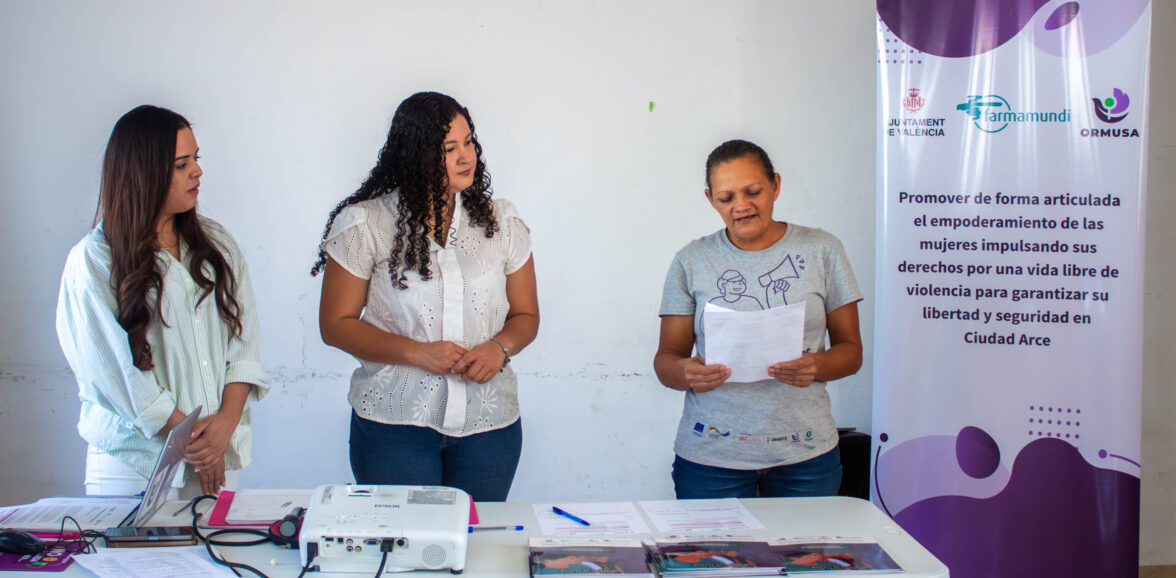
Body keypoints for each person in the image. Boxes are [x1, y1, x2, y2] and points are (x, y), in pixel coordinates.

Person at [312, 92, 539, 501]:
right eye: (449, 148)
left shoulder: (502, 221)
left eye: (468, 142)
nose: (465, 156)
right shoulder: (366, 224)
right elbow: (335, 325)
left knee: (475, 547)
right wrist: (418, 353)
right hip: (394, 426)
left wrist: (498, 349)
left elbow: (526, 315)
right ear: (416, 155)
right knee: (406, 550)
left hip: (489, 427)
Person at [56, 105, 270, 498]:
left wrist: (223, 426)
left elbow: (245, 343)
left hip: (216, 457)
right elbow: (115, 374)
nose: (198, 172)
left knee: (217, 559)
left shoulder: (217, 244)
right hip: (136, 467)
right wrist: (193, 440)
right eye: (181, 164)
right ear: (143, 172)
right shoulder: (93, 261)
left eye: (196, 159)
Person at [653, 139, 863, 499]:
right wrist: (686, 373)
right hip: (711, 460)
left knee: (804, 556)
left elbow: (851, 352)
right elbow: (665, 360)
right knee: (712, 557)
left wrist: (816, 365)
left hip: (805, 457)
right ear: (710, 200)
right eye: (726, 198)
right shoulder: (691, 260)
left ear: (776, 185)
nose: (742, 206)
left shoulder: (821, 250)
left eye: (753, 191)